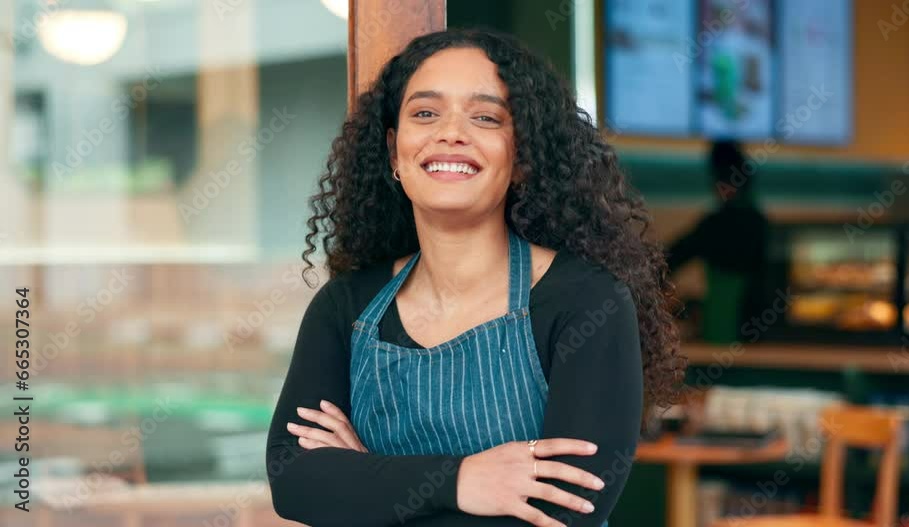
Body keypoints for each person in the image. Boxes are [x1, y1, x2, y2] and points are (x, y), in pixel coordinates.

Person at [264, 28, 685, 526]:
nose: (451, 132)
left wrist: (363, 478)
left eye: (485, 117)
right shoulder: (347, 306)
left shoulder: (587, 303)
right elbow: (295, 484)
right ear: (395, 152)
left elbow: (563, 512)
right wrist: (462, 481)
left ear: (523, 157)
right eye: (425, 113)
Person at [663, 140, 771, 343]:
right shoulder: (760, 221)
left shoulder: (715, 224)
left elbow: (669, 258)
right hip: (757, 329)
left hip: (724, 325)